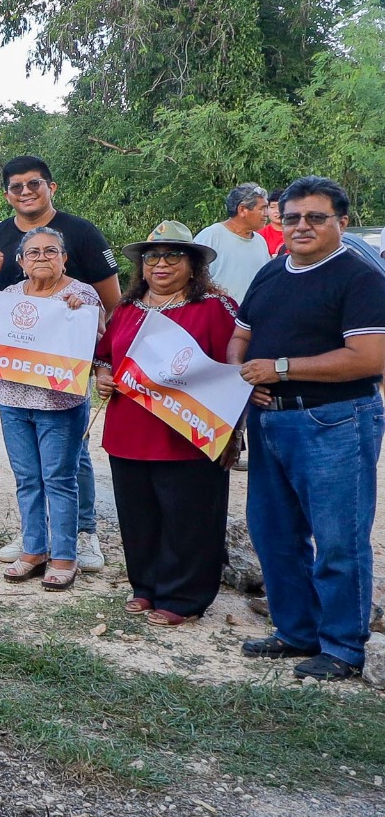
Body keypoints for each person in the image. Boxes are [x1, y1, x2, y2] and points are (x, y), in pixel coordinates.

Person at [229, 176, 385, 681]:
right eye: (292, 217)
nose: (302, 226)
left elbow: (368, 357)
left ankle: (342, 646)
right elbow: (241, 335)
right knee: (273, 532)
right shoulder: (272, 272)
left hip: (336, 420)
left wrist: (279, 369)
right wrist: (242, 376)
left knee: (339, 538)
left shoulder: (360, 279)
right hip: (270, 419)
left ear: (341, 222)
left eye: (315, 217)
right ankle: (296, 631)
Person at [0, 156, 120, 572]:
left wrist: (96, 349)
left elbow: (110, 308)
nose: (26, 191)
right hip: (15, 391)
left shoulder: (82, 235)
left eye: (34, 184)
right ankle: (34, 540)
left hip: (61, 391)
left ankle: (81, 535)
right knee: (30, 473)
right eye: (17, 186)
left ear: (50, 187)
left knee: (68, 465)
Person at [94, 222, 239, 626]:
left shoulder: (215, 308)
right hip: (129, 430)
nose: (160, 264)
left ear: (193, 265)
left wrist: (233, 431)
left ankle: (184, 596)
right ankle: (146, 586)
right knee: (139, 514)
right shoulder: (127, 307)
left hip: (187, 432)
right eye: (152, 256)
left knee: (188, 515)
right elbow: (106, 355)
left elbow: (235, 368)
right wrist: (103, 374)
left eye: (173, 256)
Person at [0, 226, 103, 592]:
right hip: (12, 400)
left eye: (50, 251)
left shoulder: (81, 293)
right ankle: (33, 549)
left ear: (64, 258)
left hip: (60, 403)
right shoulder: (10, 295)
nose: (42, 258)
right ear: (21, 261)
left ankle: (64, 556)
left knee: (59, 479)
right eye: (34, 253)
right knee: (27, 479)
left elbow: (101, 336)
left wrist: (84, 314)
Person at [193, 184, 272, 303]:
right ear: (242, 210)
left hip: (251, 318)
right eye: (262, 208)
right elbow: (192, 278)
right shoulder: (212, 236)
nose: (267, 214)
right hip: (219, 315)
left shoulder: (260, 241)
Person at [257, 189, 285, 256]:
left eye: (281, 207)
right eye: (273, 207)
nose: (277, 211)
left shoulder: (298, 232)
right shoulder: (259, 236)